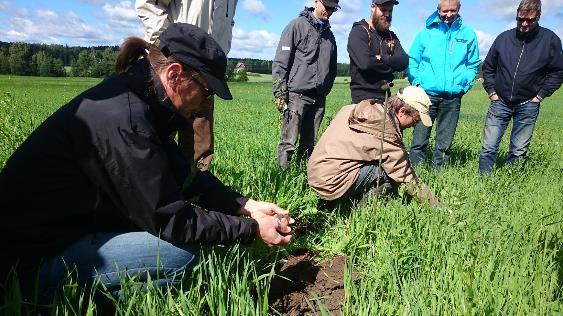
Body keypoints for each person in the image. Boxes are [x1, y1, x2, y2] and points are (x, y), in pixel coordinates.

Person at [0, 23, 293, 304]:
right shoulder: (126, 121)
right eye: (206, 92)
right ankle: (48, 301)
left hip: (67, 229)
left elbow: (185, 176)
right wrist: (251, 229)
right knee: (181, 259)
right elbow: (170, 218)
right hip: (30, 259)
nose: (206, 103)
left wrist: (247, 205)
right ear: (176, 74)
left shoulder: (142, 96)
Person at [136, 0, 239, 170]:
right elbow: (148, 3)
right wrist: (164, 43)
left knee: (201, 140)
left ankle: (196, 186)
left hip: (208, 73)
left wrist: (220, 51)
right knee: (158, 135)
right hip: (176, 66)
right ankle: (155, 181)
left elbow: (228, 22)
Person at [307, 86, 440, 207]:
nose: (415, 125)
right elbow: (405, 176)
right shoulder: (386, 132)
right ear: (402, 111)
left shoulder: (354, 109)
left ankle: (335, 203)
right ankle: (356, 212)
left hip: (315, 174)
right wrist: (436, 206)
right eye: (416, 120)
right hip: (331, 183)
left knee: (379, 162)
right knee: (387, 172)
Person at [478, 0, 563, 174]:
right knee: (489, 146)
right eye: (520, 19)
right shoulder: (504, 38)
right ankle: (483, 179)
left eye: (529, 20)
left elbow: (557, 72)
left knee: (518, 150)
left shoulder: (550, 40)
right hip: (499, 101)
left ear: (538, 16)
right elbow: (489, 67)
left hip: (528, 103)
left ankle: (511, 180)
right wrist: (492, 91)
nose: (524, 24)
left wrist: (540, 96)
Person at [406, 0, 480, 168]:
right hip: (426, 96)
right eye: (445, 11)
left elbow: (473, 64)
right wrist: (417, 83)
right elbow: (412, 60)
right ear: (438, 9)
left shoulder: (467, 33)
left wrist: (463, 85)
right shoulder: (425, 33)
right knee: (419, 140)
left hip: (452, 97)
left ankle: (441, 175)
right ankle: (416, 173)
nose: (448, 15)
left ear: (459, 9)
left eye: (453, 10)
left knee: (444, 144)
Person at [272, 0, 338, 170]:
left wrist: (325, 89)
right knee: (289, 142)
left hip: (319, 99)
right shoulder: (296, 26)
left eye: (333, 8)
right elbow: (281, 61)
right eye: (327, 6)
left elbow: (333, 68)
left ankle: (302, 177)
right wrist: (279, 92)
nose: (329, 11)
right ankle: (282, 177)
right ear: (316, 2)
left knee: (309, 145)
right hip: (296, 96)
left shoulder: (330, 36)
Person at [347, 0, 408, 104]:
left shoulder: (391, 37)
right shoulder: (359, 31)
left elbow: (404, 61)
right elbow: (366, 63)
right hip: (363, 101)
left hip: (385, 100)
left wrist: (383, 58)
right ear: (373, 7)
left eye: (390, 10)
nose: (387, 14)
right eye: (383, 10)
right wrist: (392, 66)